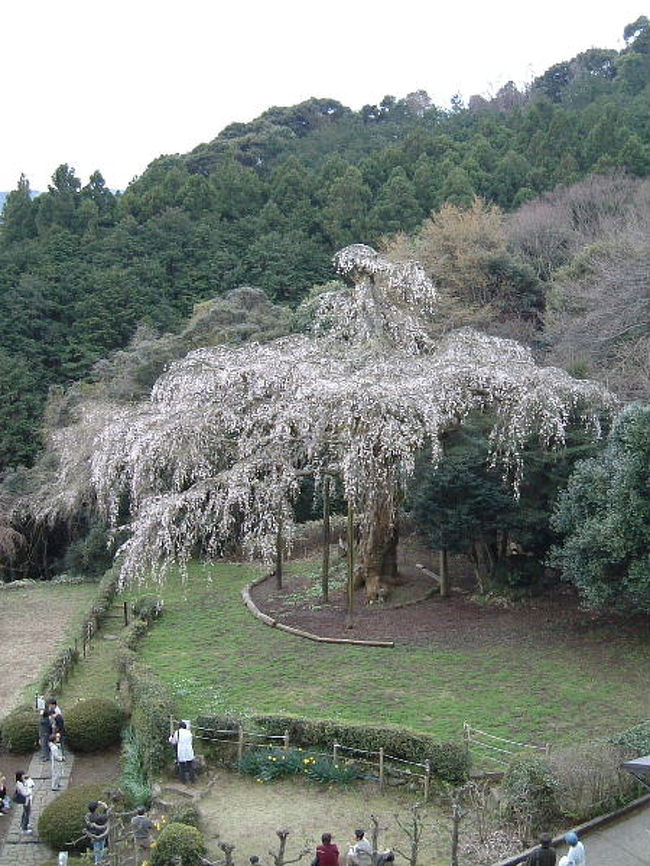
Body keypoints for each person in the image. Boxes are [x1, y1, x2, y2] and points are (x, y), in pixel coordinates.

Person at [85, 800, 110, 865]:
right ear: (96, 809)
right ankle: (99, 863)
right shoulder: (97, 817)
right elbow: (105, 816)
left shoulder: (88, 816)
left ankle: (99, 862)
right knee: (100, 850)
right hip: (99, 835)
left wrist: (98, 803)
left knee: (97, 850)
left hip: (93, 835)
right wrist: (106, 807)